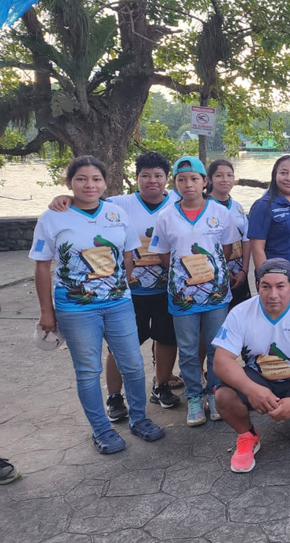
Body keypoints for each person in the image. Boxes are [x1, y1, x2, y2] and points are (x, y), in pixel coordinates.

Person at [30, 156, 165, 454]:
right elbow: (41, 266)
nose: (89, 185)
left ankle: (139, 419)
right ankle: (101, 430)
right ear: (69, 183)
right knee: (88, 370)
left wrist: (121, 285)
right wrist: (46, 312)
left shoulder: (116, 213)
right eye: (81, 179)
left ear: (105, 183)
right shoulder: (52, 217)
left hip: (119, 304)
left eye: (96, 179)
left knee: (133, 364)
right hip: (76, 309)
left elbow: (128, 254)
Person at [47, 151, 182, 416]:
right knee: (121, 348)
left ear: (167, 179)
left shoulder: (178, 202)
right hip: (127, 293)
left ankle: (161, 385)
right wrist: (65, 198)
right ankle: (114, 396)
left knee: (167, 339)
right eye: (145, 176)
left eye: (158, 175)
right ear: (136, 177)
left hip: (168, 289)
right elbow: (88, 202)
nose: (152, 181)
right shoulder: (120, 204)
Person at [212, 258, 290, 473]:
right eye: (266, 286)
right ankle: (247, 435)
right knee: (223, 396)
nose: (273, 294)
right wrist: (252, 390)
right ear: (257, 285)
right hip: (259, 377)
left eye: (280, 286)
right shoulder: (240, 312)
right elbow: (221, 361)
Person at [149, 156, 241, 427]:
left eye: (193, 179)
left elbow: (226, 250)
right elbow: (163, 253)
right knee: (188, 349)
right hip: (183, 296)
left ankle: (215, 392)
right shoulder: (166, 216)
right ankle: (193, 396)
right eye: (181, 179)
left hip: (215, 294)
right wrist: (185, 273)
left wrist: (207, 273)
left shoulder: (220, 213)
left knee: (216, 347)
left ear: (204, 181)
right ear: (175, 183)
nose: (188, 184)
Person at [248, 155, 290, 300]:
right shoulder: (263, 206)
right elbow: (257, 248)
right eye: (284, 173)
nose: (289, 178)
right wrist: (266, 279)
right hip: (277, 278)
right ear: (275, 175)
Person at [207, 159, 251, 308]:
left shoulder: (237, 206)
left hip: (239, 271)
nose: (225, 179)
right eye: (219, 175)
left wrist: (244, 270)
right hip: (213, 271)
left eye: (229, 175)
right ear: (210, 179)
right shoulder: (204, 206)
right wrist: (224, 270)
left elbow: (246, 239)